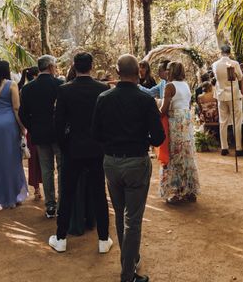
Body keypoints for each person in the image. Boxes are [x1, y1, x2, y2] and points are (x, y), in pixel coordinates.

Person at [92, 54, 165, 282]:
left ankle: (130, 258)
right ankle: (128, 275)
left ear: (117, 72)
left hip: (112, 162)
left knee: (121, 215)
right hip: (136, 162)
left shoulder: (104, 98)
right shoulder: (145, 100)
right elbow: (159, 137)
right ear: (138, 73)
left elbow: (95, 133)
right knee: (132, 219)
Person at [49, 52, 112, 254]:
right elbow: (106, 123)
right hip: (96, 150)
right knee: (99, 194)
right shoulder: (102, 89)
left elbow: (58, 125)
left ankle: (61, 238)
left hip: (73, 150)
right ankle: (103, 239)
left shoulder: (64, 90)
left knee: (66, 194)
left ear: (74, 67)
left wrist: (65, 147)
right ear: (91, 66)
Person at [20, 54, 64, 218]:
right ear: (51, 67)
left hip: (39, 133)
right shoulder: (61, 85)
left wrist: (32, 128)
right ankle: (62, 204)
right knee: (61, 168)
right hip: (59, 133)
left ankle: (50, 205)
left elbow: (23, 114)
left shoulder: (28, 88)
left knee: (46, 169)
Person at [0, 60, 28, 209]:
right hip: (9, 124)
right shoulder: (12, 84)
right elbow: (16, 108)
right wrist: (22, 127)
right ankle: (14, 196)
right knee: (12, 160)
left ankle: (0, 196)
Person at [159, 62, 200, 203]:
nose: (166, 72)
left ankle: (175, 192)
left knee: (174, 155)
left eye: (168, 70)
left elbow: (164, 109)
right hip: (186, 121)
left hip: (176, 122)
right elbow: (186, 105)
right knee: (187, 155)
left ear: (172, 71)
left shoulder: (169, 86)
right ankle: (189, 190)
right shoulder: (186, 85)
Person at [212, 45, 243, 156]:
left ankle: (224, 147)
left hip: (221, 95)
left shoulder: (215, 64)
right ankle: (238, 148)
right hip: (233, 94)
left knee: (223, 121)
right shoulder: (234, 64)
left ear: (220, 52)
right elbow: (240, 77)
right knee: (237, 120)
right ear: (229, 53)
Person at [18, 66, 42, 200]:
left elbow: (22, 112)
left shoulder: (24, 89)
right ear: (35, 75)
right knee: (42, 159)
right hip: (39, 128)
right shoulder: (33, 88)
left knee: (33, 160)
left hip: (31, 129)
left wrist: (28, 126)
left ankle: (37, 189)